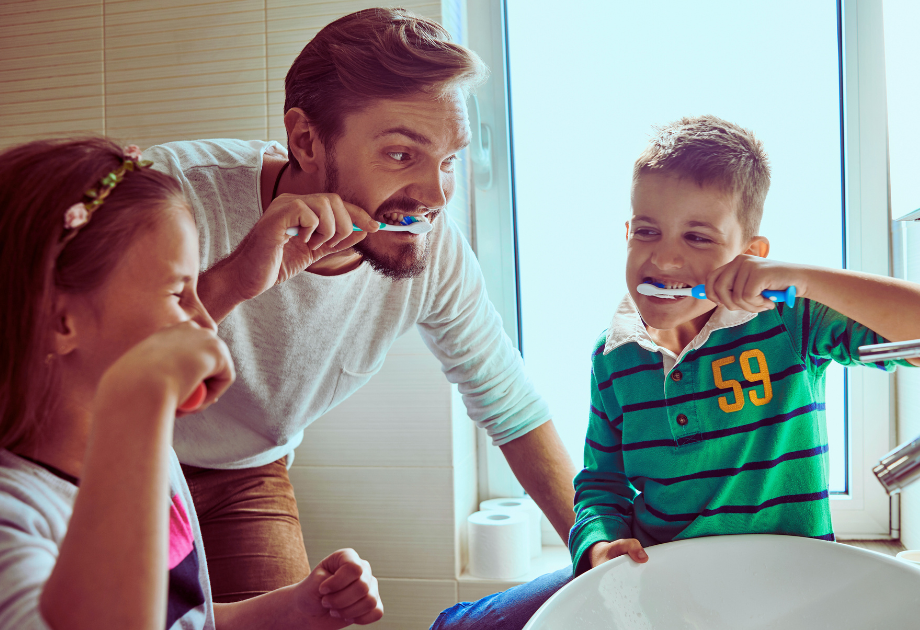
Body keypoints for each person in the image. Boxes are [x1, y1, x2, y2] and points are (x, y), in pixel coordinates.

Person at [144, 7, 578, 603]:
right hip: (117, 448)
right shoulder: (174, 194)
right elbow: (85, 368)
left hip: (248, 471)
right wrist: (236, 280)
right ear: (306, 141)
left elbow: (510, 406)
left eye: (449, 160)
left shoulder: (434, 252)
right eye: (402, 154)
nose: (433, 198)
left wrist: (594, 552)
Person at [0, 137, 383, 629]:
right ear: (60, 321)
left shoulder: (152, 459)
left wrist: (297, 607)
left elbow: (187, 619)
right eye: (178, 292)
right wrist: (134, 405)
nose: (204, 318)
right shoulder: (16, 517)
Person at [569, 115, 920, 576]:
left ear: (750, 255)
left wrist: (805, 280)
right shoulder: (612, 358)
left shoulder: (788, 320)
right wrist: (600, 547)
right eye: (647, 231)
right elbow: (601, 483)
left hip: (791, 584)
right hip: (665, 587)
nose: (664, 257)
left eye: (697, 237)